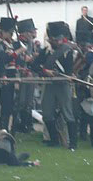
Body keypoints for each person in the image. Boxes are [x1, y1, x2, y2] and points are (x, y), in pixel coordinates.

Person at [36, 22, 77, 150]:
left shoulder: (67, 51)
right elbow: (35, 65)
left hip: (63, 84)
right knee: (47, 113)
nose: (58, 42)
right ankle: (54, 140)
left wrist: (69, 75)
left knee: (68, 113)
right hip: (49, 84)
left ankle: (73, 143)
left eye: (59, 39)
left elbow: (69, 70)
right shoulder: (45, 51)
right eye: (56, 40)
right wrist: (45, 71)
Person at [14, 18, 38, 133]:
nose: (31, 34)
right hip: (20, 75)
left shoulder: (31, 44)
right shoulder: (16, 44)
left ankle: (27, 124)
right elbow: (14, 59)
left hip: (30, 75)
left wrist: (33, 58)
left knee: (29, 101)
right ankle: (19, 124)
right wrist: (24, 59)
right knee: (21, 101)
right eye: (30, 32)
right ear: (24, 33)